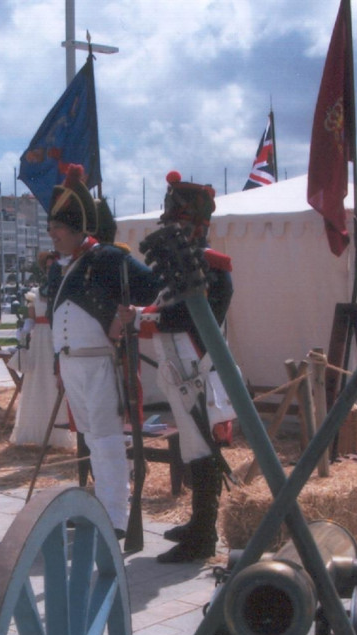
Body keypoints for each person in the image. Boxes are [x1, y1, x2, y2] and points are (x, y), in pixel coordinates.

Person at [44, 164, 163, 536]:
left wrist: (132, 315)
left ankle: (116, 519)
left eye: (58, 229)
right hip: (72, 366)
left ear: (78, 227)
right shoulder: (63, 267)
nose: (53, 236)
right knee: (93, 442)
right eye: (50, 229)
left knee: (108, 441)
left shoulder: (108, 258)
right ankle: (103, 512)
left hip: (99, 365)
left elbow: (151, 288)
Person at [140, 171, 235, 563]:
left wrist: (145, 320)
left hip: (197, 366)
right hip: (177, 365)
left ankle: (204, 535)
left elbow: (189, 317)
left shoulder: (211, 266)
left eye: (178, 223)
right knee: (193, 447)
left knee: (202, 449)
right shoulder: (177, 266)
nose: (171, 230)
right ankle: (198, 523)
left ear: (197, 224)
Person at [8, 281, 74, 449]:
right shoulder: (34, 294)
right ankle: (36, 432)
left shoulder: (63, 290)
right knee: (37, 381)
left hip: (57, 338)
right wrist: (23, 333)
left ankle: (59, 433)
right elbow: (31, 320)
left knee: (56, 380)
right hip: (38, 341)